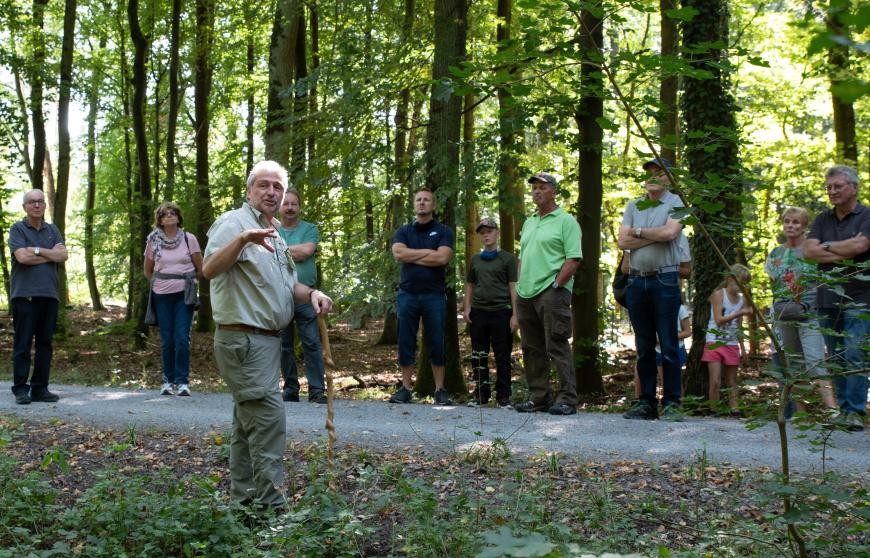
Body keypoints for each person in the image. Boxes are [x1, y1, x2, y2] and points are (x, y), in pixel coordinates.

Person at [203, 160, 333, 511]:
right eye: (263, 185)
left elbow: (287, 285)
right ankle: (272, 509)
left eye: (277, 186)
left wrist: (312, 294)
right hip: (242, 340)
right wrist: (243, 240)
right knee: (268, 423)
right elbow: (209, 268)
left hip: (266, 342)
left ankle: (243, 505)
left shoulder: (274, 232)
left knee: (248, 429)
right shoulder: (235, 223)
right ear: (249, 190)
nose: (271, 192)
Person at [618, 158, 688, 421]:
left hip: (665, 279)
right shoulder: (633, 205)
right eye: (649, 173)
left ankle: (672, 402)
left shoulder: (676, 204)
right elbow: (621, 240)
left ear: (669, 178)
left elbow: (670, 234)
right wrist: (649, 234)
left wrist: (637, 233)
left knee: (669, 342)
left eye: (659, 173)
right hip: (636, 280)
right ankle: (646, 402)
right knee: (643, 344)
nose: (653, 177)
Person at [804, 165, 869, 432]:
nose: (832, 191)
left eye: (838, 186)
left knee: (855, 352)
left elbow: (861, 246)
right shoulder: (822, 219)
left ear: (853, 187)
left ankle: (854, 412)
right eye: (829, 187)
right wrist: (843, 253)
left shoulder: (866, 215)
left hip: (861, 296)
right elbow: (808, 252)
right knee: (837, 356)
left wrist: (826, 248)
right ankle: (844, 410)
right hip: (827, 296)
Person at [514, 172, 582, 415]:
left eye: (542, 187)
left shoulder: (566, 221)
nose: (536, 191)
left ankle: (567, 398)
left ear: (554, 191)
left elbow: (573, 258)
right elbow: (523, 257)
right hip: (526, 293)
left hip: (551, 291)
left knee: (557, 344)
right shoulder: (529, 221)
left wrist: (556, 284)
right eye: (533, 188)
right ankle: (539, 396)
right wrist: (520, 286)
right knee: (531, 348)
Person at [763, 207, 837, 412]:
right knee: (793, 362)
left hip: (810, 312)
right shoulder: (776, 253)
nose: (790, 225)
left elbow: (825, 281)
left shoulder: (812, 250)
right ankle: (800, 412)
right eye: (787, 221)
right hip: (784, 313)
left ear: (805, 226)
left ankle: (832, 410)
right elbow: (773, 284)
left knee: (815, 361)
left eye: (796, 222)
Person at [389, 188, 455, 405]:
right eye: (418, 200)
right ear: (414, 204)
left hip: (433, 295)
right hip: (407, 294)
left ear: (433, 205)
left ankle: (440, 389)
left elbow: (443, 258)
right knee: (405, 341)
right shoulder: (404, 231)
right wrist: (429, 253)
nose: (422, 203)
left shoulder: (444, 231)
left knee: (436, 340)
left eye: (426, 200)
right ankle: (405, 389)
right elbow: (399, 254)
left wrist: (412, 256)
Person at [8, 189, 69, 405]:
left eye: (40, 201)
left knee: (45, 343)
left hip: (49, 295)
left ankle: (40, 388)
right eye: (32, 202)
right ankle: (21, 390)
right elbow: (22, 258)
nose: (36, 205)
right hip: (24, 295)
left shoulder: (52, 229)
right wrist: (48, 254)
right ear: (24, 206)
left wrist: (35, 250)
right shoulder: (17, 229)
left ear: (44, 205)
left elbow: (63, 255)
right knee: (23, 343)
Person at [144, 202, 203, 397]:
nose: (169, 216)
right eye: (165, 214)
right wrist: (161, 282)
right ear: (159, 220)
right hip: (161, 295)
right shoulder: (153, 241)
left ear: (178, 217)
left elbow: (200, 268)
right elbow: (148, 270)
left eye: (173, 213)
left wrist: (189, 281)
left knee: (181, 338)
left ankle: (183, 382)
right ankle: (167, 382)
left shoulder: (189, 239)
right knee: (167, 340)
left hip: (184, 295)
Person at [277, 189, 327, 404]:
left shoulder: (310, 229)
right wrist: (289, 251)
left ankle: (317, 390)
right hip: (279, 295)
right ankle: (290, 389)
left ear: (299, 207)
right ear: (280, 207)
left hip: (308, 295)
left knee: (312, 343)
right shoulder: (271, 229)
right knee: (283, 344)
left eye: (293, 204)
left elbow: (306, 251)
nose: (289, 207)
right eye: (286, 203)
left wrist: (278, 251)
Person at [463, 217, 518, 408]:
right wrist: (467, 307)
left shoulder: (508, 259)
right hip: (479, 313)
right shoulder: (475, 260)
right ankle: (481, 394)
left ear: (497, 233)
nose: (486, 235)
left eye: (489, 231)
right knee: (479, 354)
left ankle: (504, 396)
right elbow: (470, 285)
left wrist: (515, 314)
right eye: (482, 232)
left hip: (501, 312)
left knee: (502, 355)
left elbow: (513, 287)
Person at [701, 264, 752, 416]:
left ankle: (734, 410)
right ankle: (713, 409)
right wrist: (740, 312)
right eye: (739, 283)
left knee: (732, 380)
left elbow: (739, 326)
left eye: (744, 284)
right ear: (730, 279)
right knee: (715, 380)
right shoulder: (719, 295)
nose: (741, 287)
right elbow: (718, 320)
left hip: (731, 342)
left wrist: (743, 348)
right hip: (714, 341)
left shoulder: (742, 300)